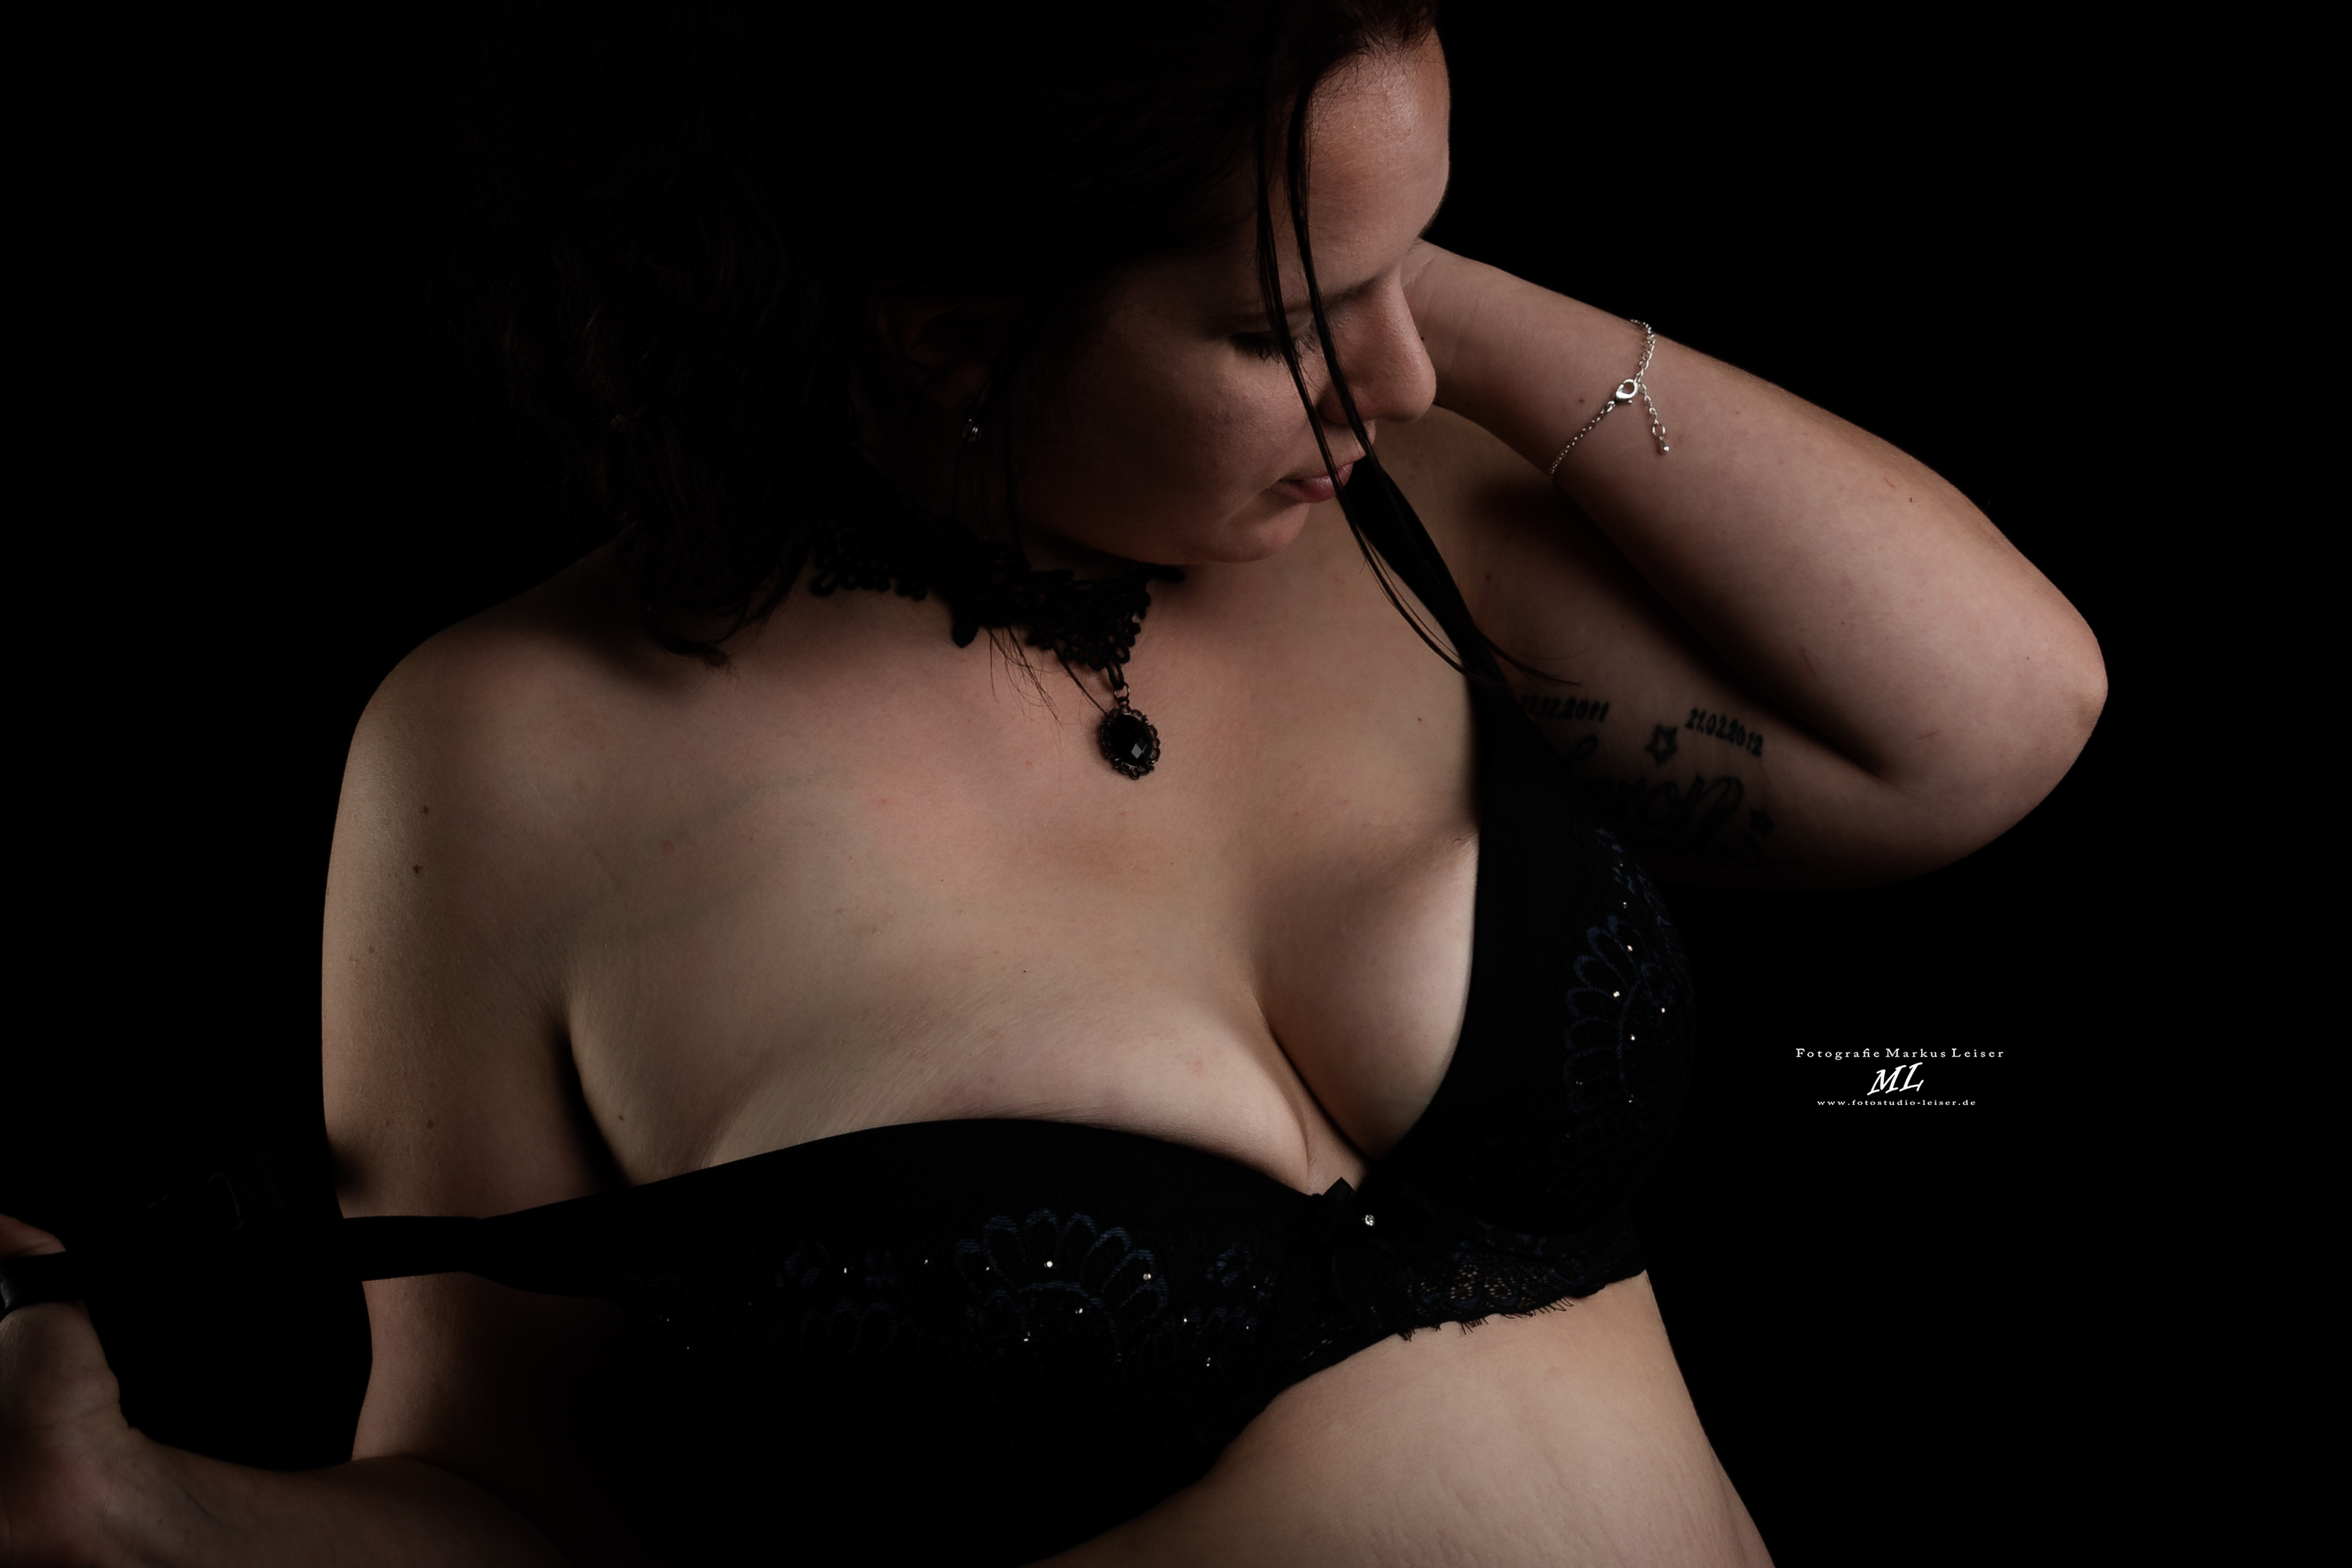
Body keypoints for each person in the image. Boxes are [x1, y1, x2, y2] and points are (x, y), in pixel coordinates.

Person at [0, 3, 2105, 1563]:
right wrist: (138, 1518)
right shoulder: (513, 755)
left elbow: (1980, 720)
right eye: (1281, 326)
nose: (1398, 376)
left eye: (1412, 274)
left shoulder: (1399, 511)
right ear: (949, 328)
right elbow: (519, 1504)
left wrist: (1339, 245)